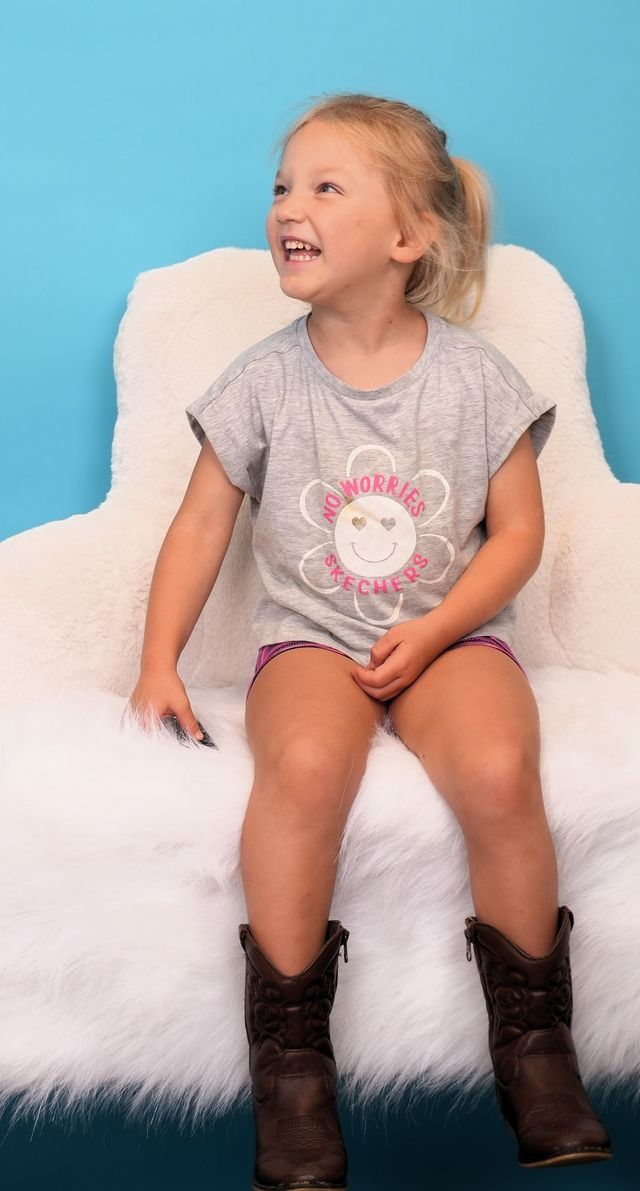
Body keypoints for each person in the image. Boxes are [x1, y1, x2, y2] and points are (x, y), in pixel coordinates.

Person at [126, 92, 612, 1187]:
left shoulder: (475, 377)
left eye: (324, 186)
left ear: (407, 238)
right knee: (300, 768)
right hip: (311, 639)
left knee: (497, 768)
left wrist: (439, 626)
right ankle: (292, 1069)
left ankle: (535, 1048)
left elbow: (518, 533)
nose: (288, 206)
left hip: (450, 636)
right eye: (281, 186)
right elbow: (202, 526)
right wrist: (158, 661)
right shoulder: (260, 380)